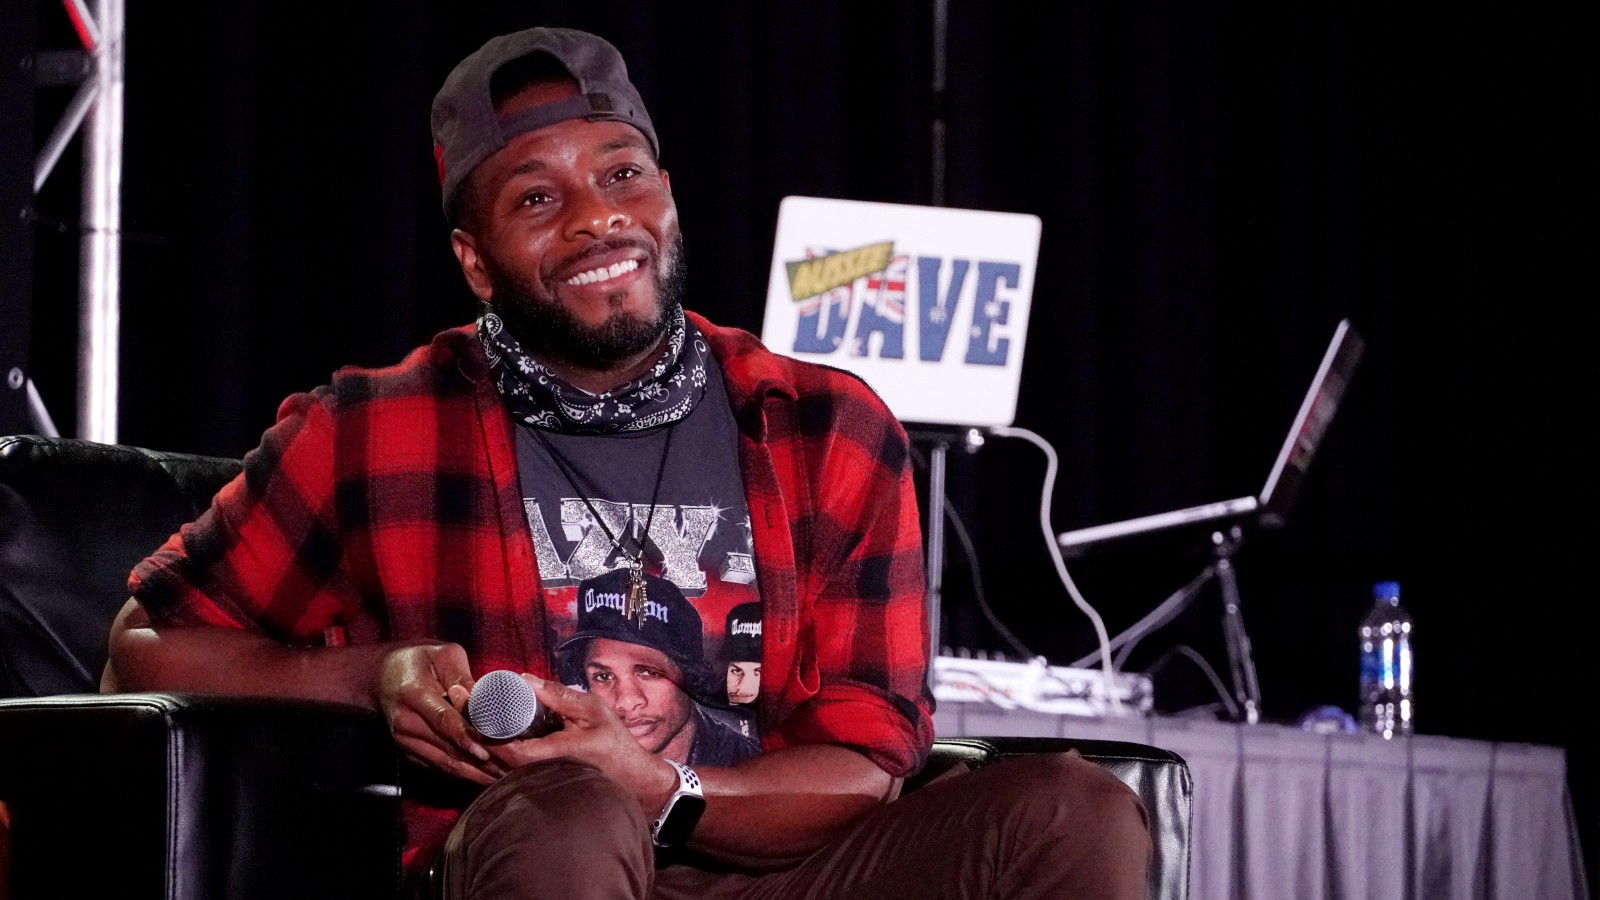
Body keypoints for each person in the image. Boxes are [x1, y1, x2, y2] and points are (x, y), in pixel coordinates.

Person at [101, 25, 1152, 899]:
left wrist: (664, 787)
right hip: (528, 861)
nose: (600, 216)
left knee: (1076, 810)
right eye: (537, 198)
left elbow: (866, 762)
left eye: (621, 174)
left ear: (666, 193)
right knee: (567, 809)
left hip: (782, 866)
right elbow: (144, 647)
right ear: (474, 259)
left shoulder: (826, 426)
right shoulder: (374, 429)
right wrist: (372, 676)